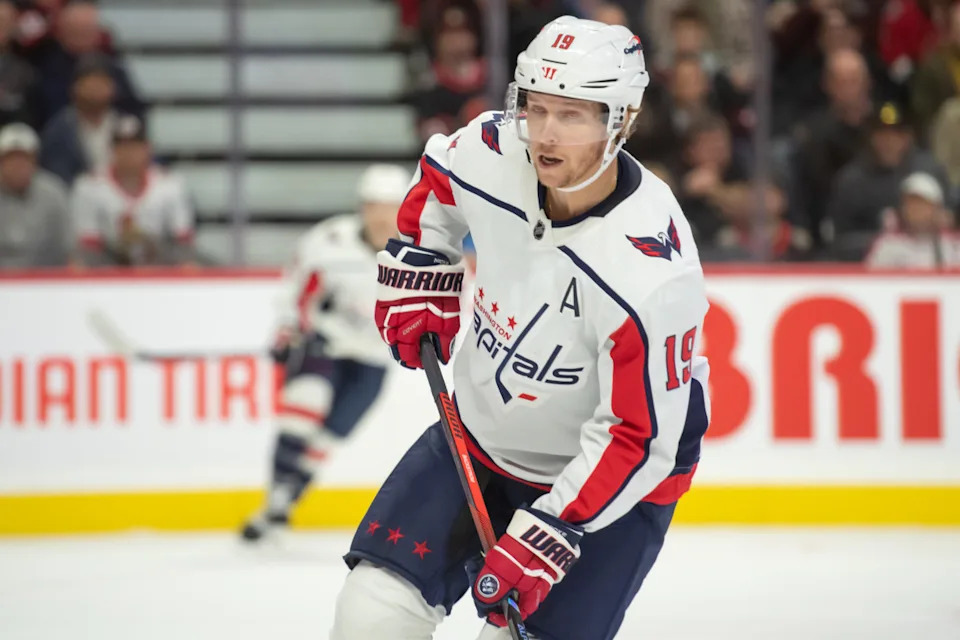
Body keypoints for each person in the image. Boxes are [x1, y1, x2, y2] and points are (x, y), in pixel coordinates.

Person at [331, 16, 711, 640]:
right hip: (476, 442)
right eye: (535, 107)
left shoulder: (649, 272)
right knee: (371, 612)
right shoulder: (494, 149)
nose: (546, 134)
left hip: (606, 493)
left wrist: (555, 528)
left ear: (624, 121)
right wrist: (426, 262)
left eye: (574, 114)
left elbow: (639, 437)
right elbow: (438, 182)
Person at [240, 164, 412, 542]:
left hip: (373, 357)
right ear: (361, 207)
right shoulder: (330, 240)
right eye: (373, 205)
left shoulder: (421, 251)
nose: (381, 215)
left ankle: (282, 503)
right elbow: (297, 288)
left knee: (331, 436)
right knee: (304, 405)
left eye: (390, 206)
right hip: (323, 344)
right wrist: (289, 330)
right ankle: (277, 497)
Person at [70, 114, 195, 266]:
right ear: (111, 150)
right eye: (122, 146)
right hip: (107, 270)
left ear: (147, 148)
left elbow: (183, 243)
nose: (129, 153)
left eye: (135, 146)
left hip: (160, 268)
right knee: (77, 264)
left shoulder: (170, 184)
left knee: (191, 265)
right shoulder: (89, 186)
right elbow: (88, 247)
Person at [39, 54, 119, 185]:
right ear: (75, 87)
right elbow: (55, 173)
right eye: (90, 82)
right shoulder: (59, 128)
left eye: (102, 82)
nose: (96, 88)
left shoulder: (125, 124)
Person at [0, 122, 71, 268]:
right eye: (11, 158)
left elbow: (68, 251)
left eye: (24, 158)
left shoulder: (53, 194)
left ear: (35, 160)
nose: (18, 165)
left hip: (44, 283)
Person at [866, 171, 960, 267]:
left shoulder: (953, 245)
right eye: (910, 204)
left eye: (922, 204)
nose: (916, 210)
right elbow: (871, 279)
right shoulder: (887, 245)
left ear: (937, 208)